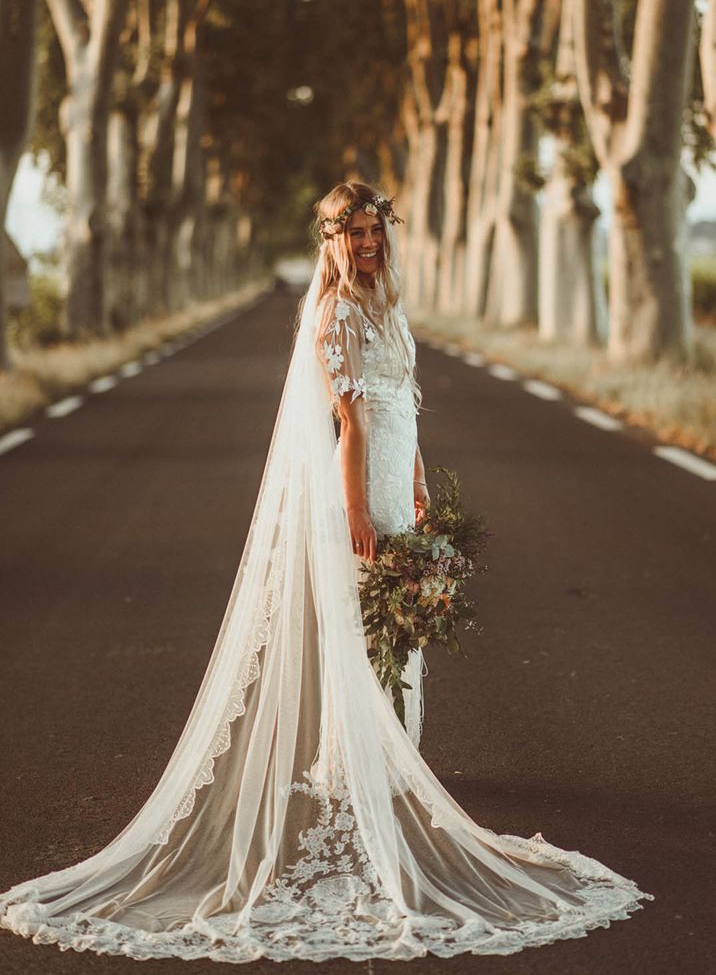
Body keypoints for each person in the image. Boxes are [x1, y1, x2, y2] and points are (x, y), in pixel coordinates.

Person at [0, 181, 651, 963]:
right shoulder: (335, 313)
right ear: (333, 240)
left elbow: (402, 404)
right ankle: (359, 766)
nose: (368, 243)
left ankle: (389, 760)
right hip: (358, 486)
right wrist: (356, 513)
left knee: (398, 626)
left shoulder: (390, 306)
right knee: (366, 620)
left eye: (376, 229)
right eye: (356, 234)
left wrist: (415, 480)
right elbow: (349, 420)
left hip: (394, 481)